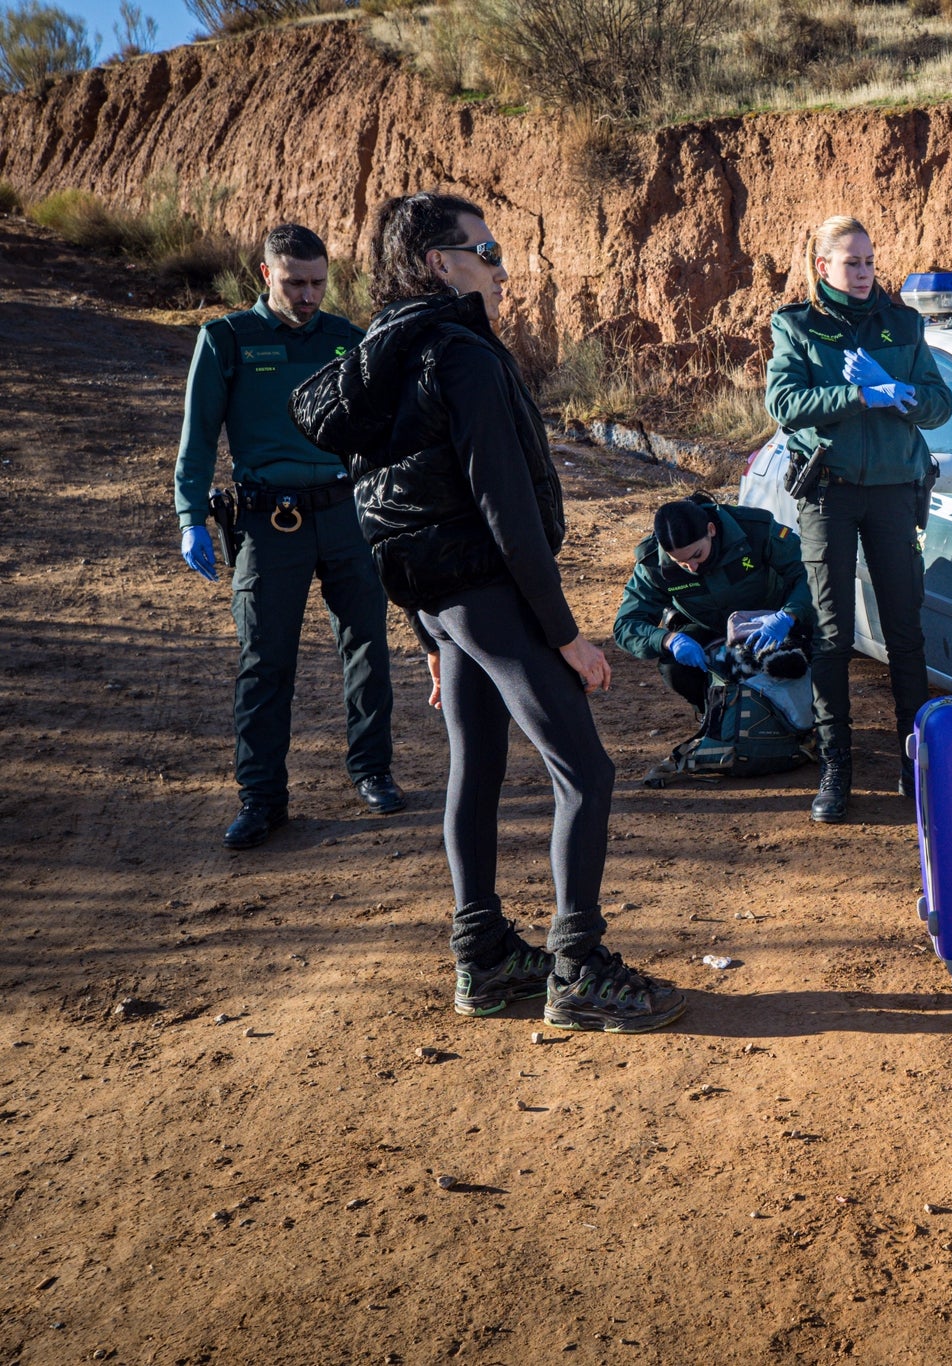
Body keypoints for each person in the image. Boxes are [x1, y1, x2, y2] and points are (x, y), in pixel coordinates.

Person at [293, 192, 682, 1033]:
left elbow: (385, 511)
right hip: (487, 592)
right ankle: (577, 967)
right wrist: (567, 634)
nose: (505, 269)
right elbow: (504, 509)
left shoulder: (382, 357)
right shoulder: (461, 355)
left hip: (443, 601)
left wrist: (425, 629)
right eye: (489, 250)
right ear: (441, 264)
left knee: (477, 763)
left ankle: (484, 956)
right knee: (587, 771)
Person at [174, 223, 404, 849]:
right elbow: (197, 438)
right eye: (295, 283)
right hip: (269, 524)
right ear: (265, 276)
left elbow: (381, 430)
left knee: (366, 649)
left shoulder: (347, 339)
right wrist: (190, 517)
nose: (308, 296)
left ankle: (373, 771)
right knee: (264, 663)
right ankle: (261, 799)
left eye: (318, 284)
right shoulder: (227, 339)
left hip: (346, 515)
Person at [765, 215, 952, 824]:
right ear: (824, 267)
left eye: (870, 261)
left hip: (896, 492)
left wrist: (899, 389)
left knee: (905, 630)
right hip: (830, 493)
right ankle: (836, 765)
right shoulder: (797, 326)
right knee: (831, 633)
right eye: (853, 263)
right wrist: (858, 396)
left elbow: (940, 403)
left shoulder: (902, 323)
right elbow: (785, 404)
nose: (866, 273)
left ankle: (912, 761)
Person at [612, 493, 816, 780]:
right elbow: (626, 625)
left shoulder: (754, 530)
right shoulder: (652, 564)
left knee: (813, 650)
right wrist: (668, 640)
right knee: (674, 667)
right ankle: (721, 721)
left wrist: (789, 615)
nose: (692, 567)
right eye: (680, 563)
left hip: (771, 620)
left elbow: (809, 572)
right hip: (710, 628)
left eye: (696, 555)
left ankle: (812, 728)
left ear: (711, 529)